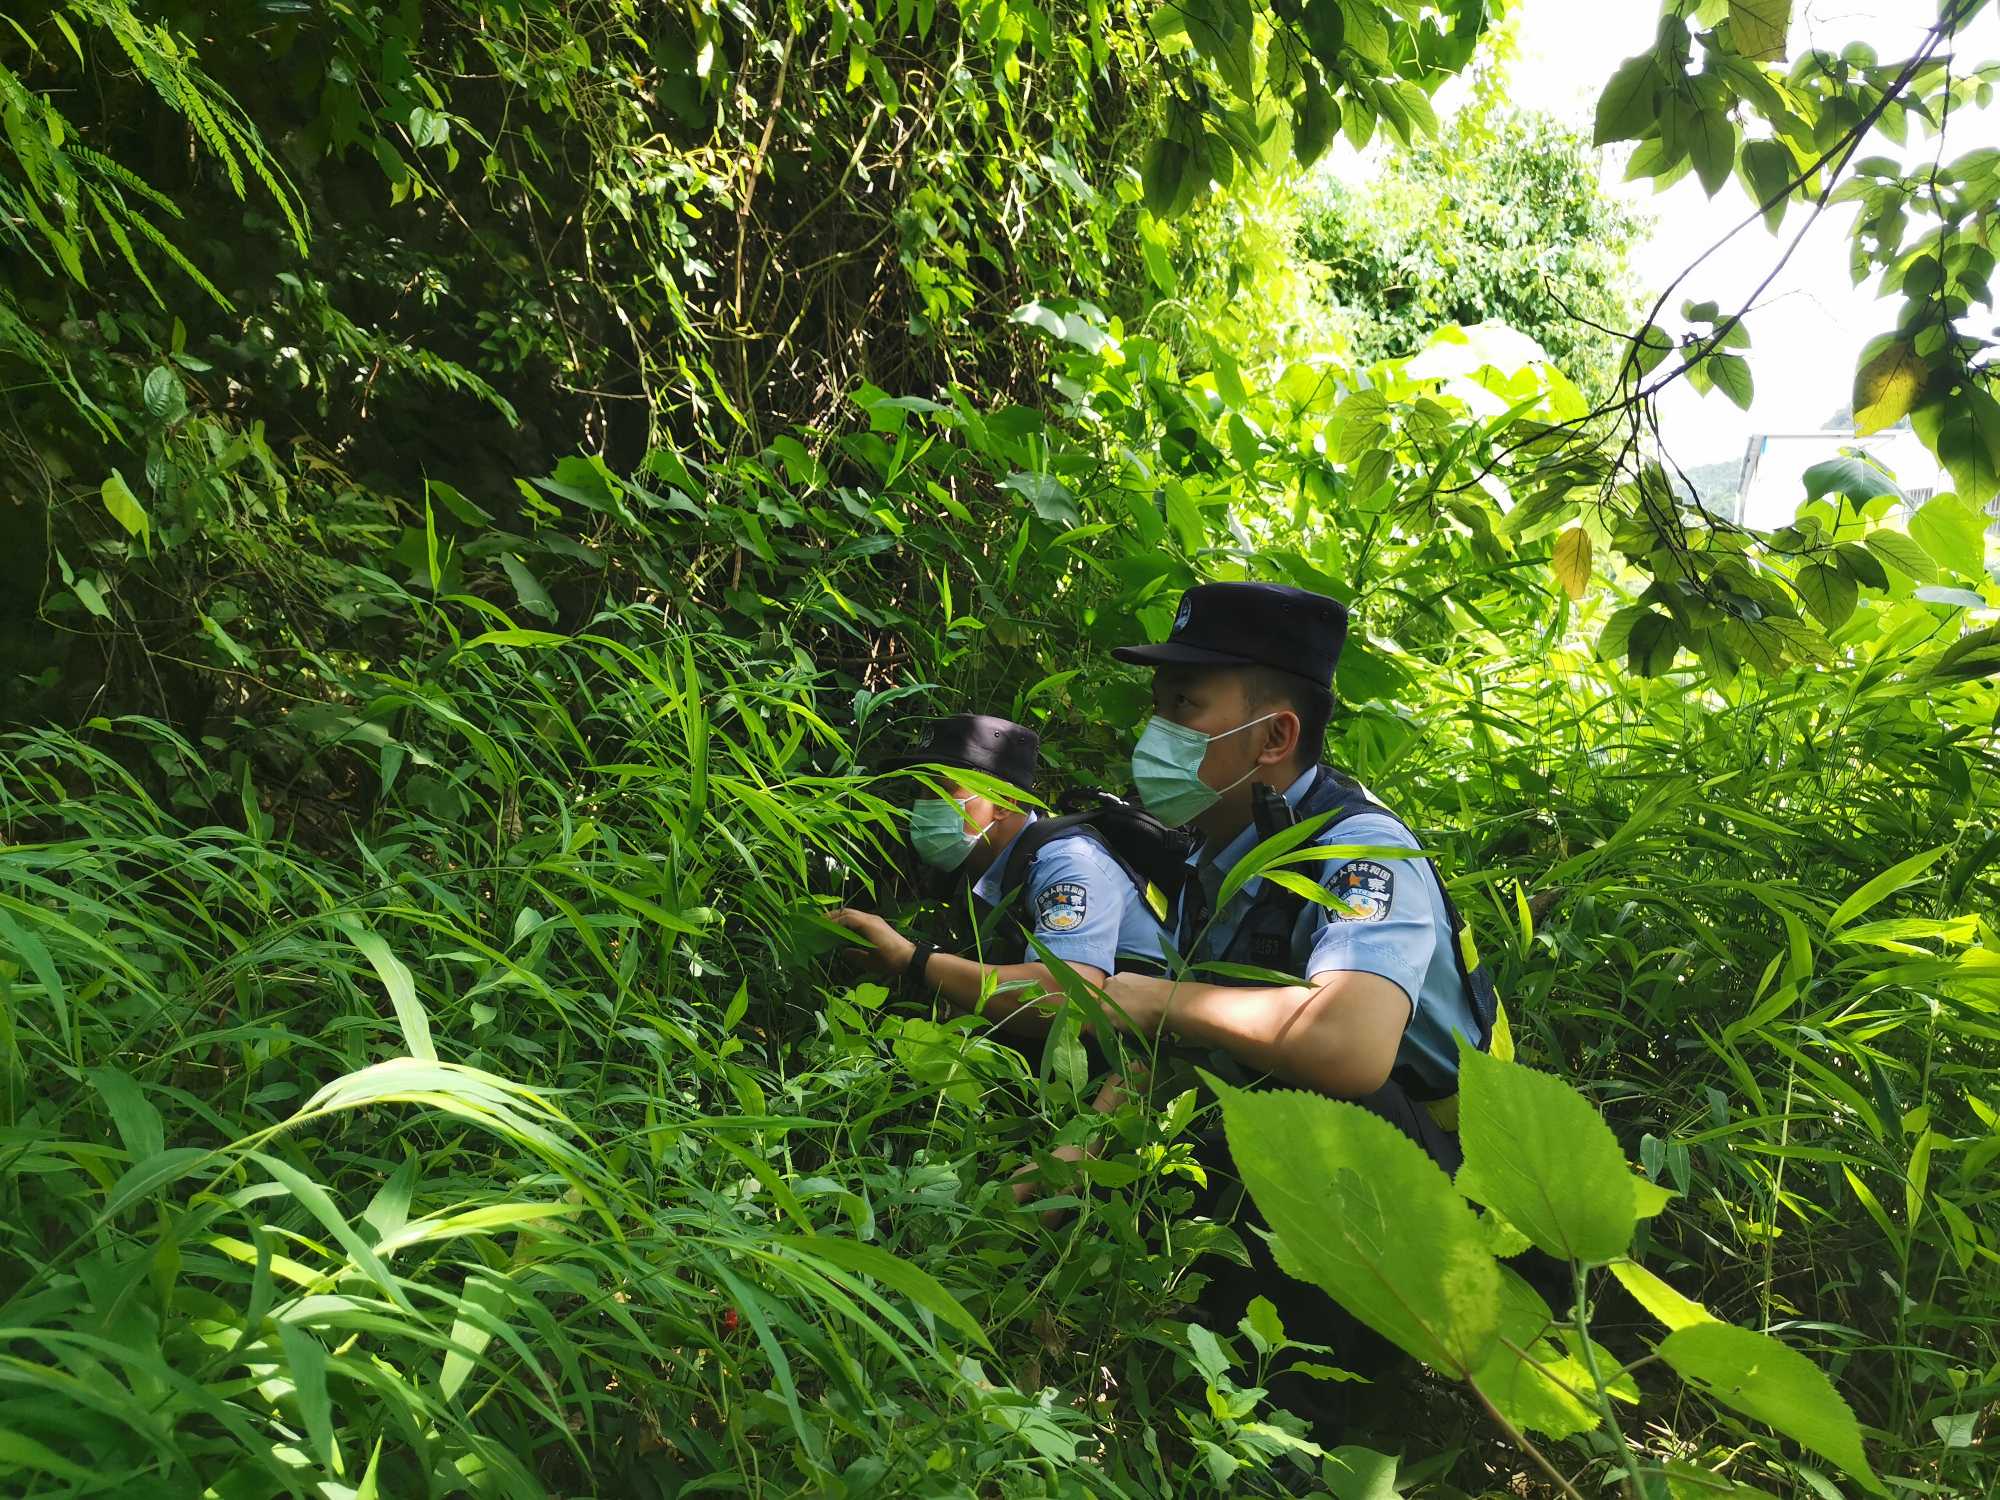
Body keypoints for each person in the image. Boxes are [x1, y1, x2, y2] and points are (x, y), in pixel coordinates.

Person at [1097, 580, 1499, 1411]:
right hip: (1383, 1187)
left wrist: (1156, 1000)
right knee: (1224, 1072)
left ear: (1274, 736)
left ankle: (1311, 1417)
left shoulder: (1361, 850)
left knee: (1289, 1078)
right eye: (1156, 707)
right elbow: (1168, 1048)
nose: (1154, 735)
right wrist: (1057, 1182)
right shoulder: (1219, 853)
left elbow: (1348, 1045)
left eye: (1185, 706)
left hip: (1466, 1197)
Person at [827, 713, 1172, 1202]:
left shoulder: (1066, 864)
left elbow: (1066, 1000)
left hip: (1143, 1062)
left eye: (944, 790)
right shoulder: (981, 868)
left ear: (1007, 801)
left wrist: (915, 960)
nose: (925, 808)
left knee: (1020, 1210)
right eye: (921, 793)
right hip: (1067, 1073)